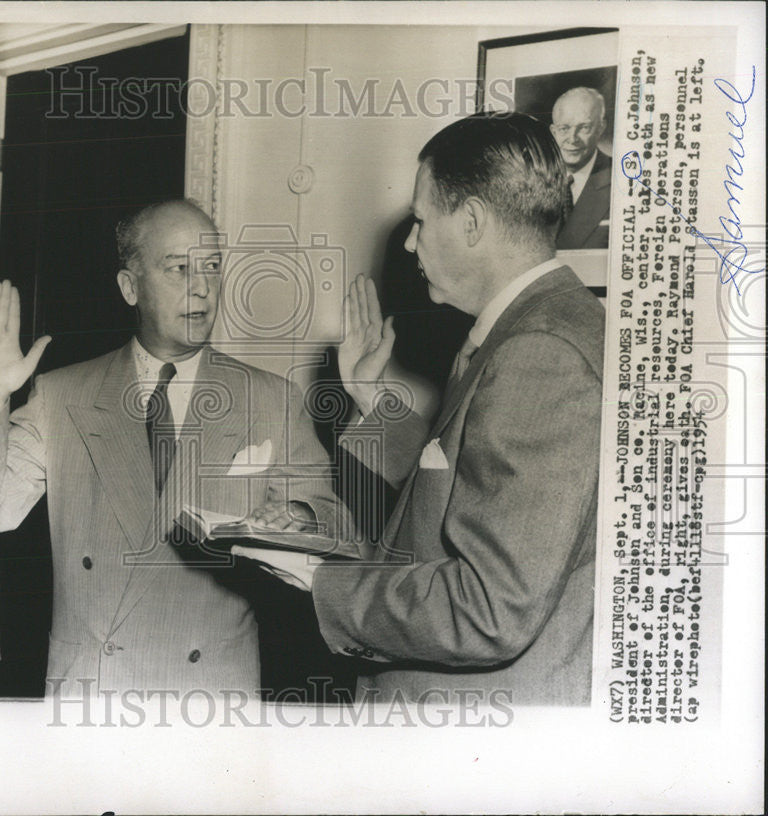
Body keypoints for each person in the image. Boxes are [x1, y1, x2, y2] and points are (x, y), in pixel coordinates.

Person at [239, 112, 604, 706]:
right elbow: (467, 480)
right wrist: (371, 398)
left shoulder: (540, 352)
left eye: (420, 220)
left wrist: (319, 579)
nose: (409, 242)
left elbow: (490, 607)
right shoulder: (545, 324)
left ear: (473, 222)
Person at [0, 199, 349, 695]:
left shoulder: (270, 398)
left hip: (211, 701)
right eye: (178, 269)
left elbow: (335, 523)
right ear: (129, 287)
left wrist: (300, 515)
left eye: (212, 267)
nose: (201, 287)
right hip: (93, 698)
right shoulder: (62, 395)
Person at [551, 86, 612, 249]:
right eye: (564, 128)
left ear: (600, 128)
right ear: (554, 131)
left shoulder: (623, 180)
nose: (572, 139)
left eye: (584, 128)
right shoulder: (533, 179)